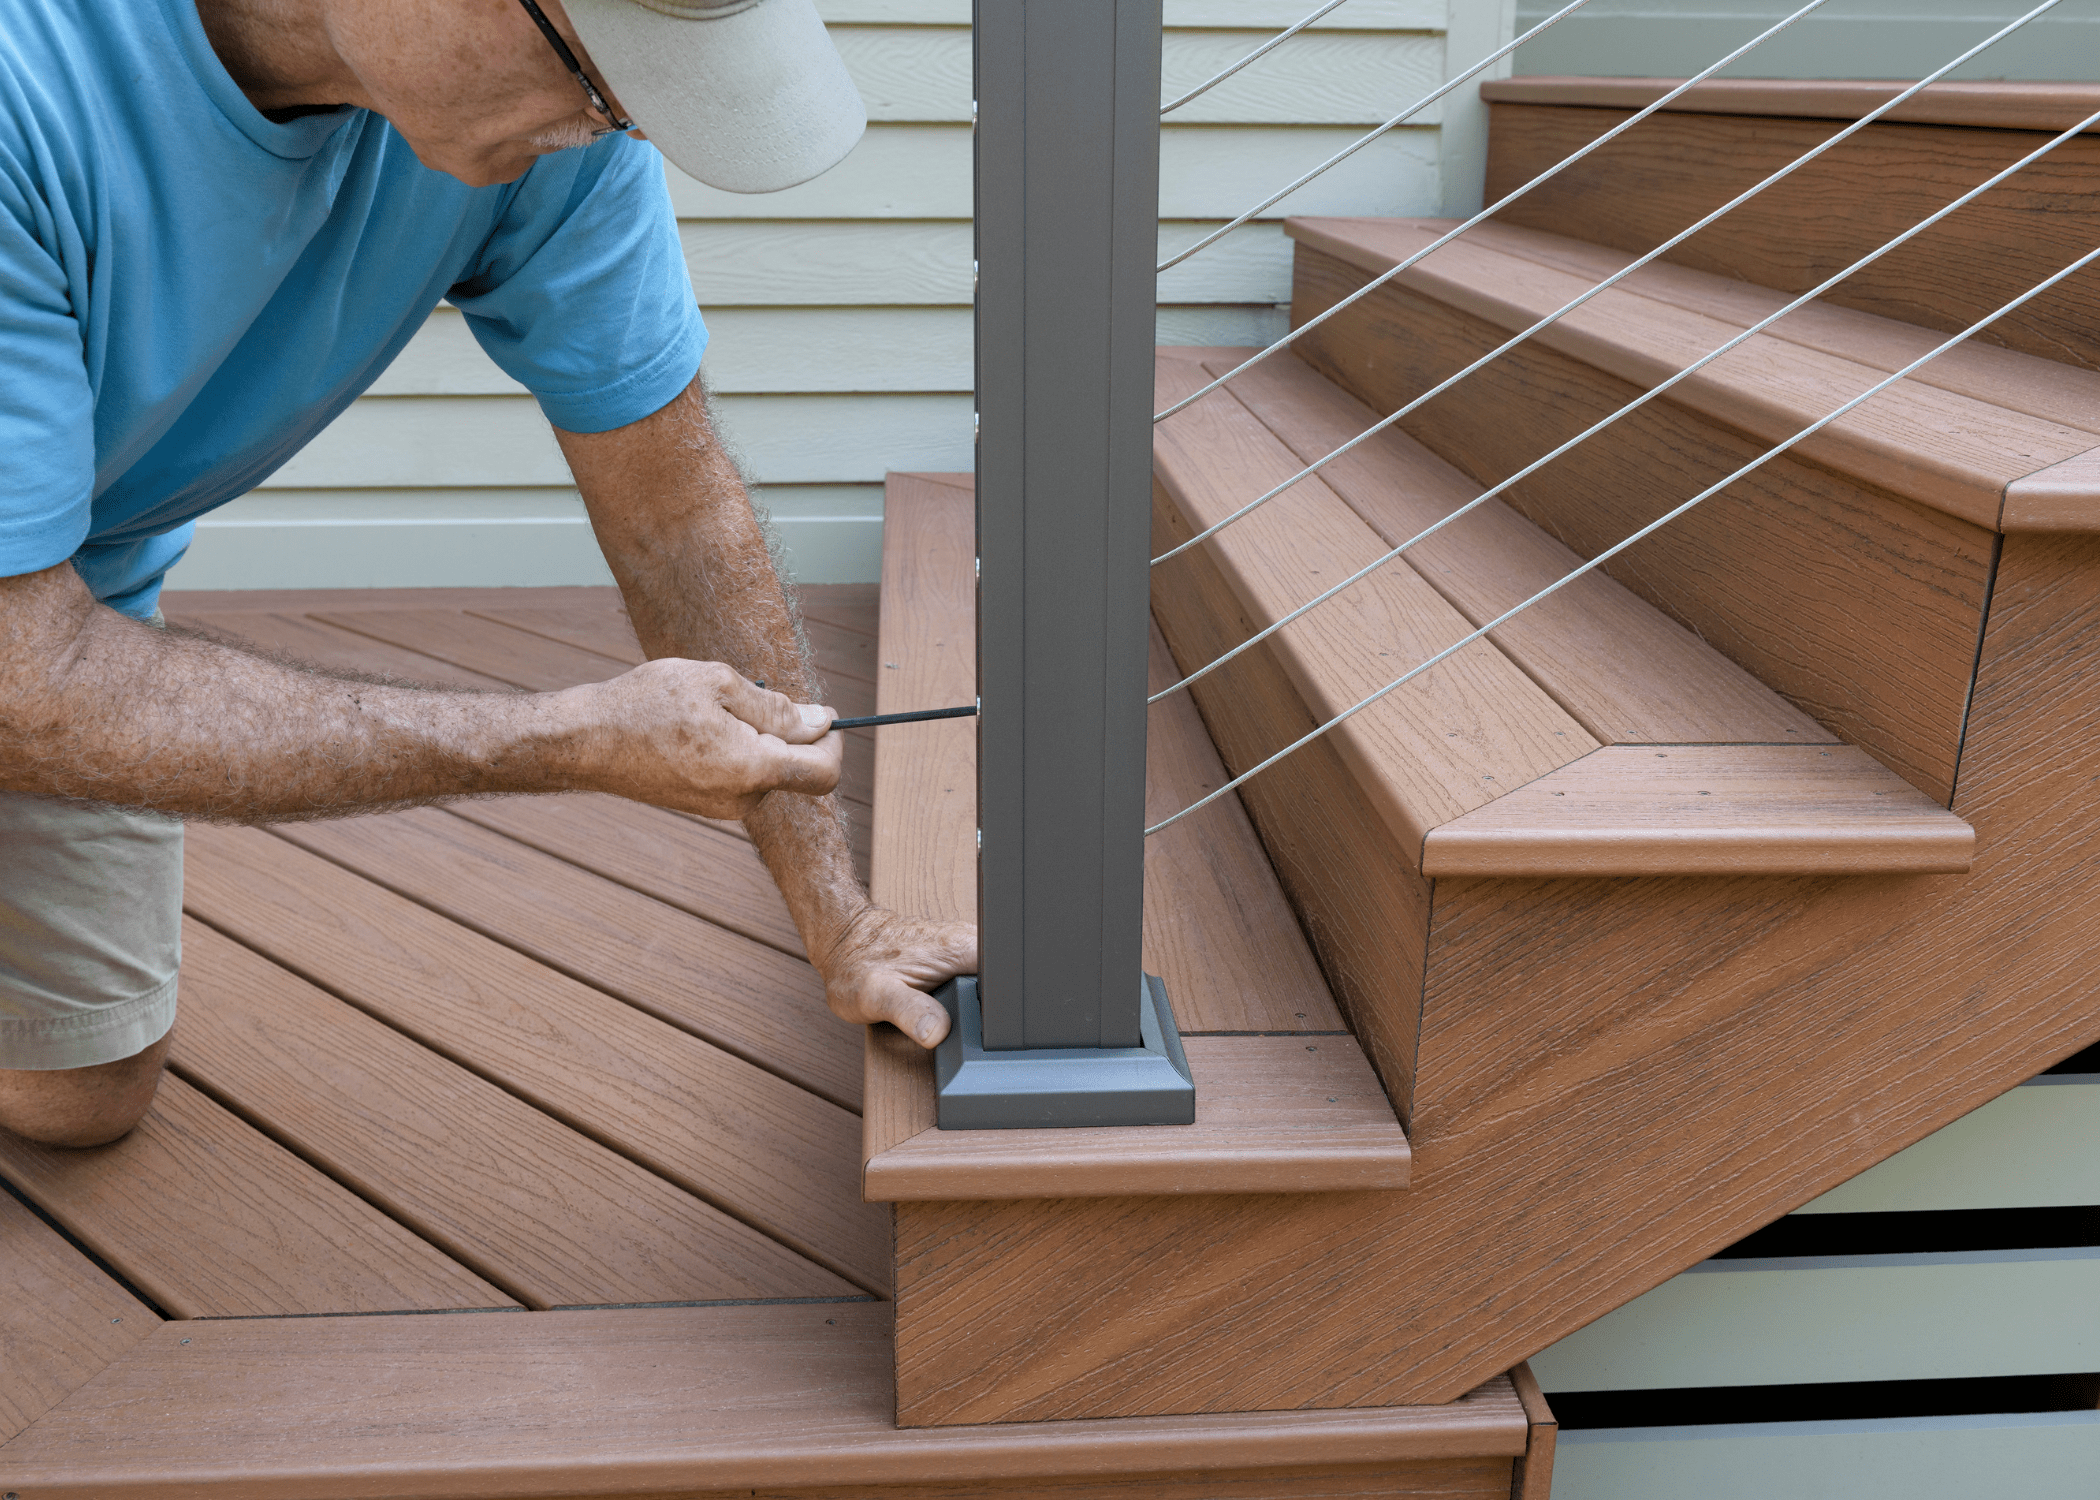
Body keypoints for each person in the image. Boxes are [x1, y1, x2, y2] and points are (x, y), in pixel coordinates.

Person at [0, 0, 974, 1148]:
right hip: (30, 645)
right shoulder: (32, 88)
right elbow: (25, 686)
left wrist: (840, 918)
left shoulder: (564, 146)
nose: (622, 125)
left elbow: (675, 506)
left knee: (82, 1098)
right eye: (602, 72)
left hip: (65, 591)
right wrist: (561, 738)